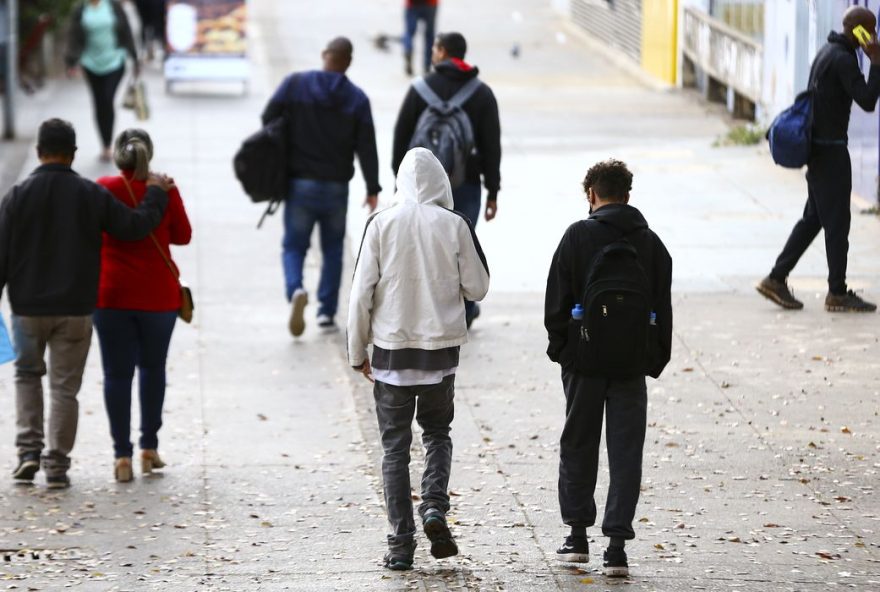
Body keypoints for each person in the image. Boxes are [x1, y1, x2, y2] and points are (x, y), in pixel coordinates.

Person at [0, 118, 172, 489]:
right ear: (74, 154)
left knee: (27, 376)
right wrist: (157, 193)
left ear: (38, 152)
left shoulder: (17, 196)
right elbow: (133, 227)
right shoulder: (89, 193)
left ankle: (29, 454)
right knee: (64, 388)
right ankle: (57, 466)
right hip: (76, 308)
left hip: (27, 308)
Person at [348, 148, 490, 571]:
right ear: (441, 183)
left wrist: (358, 351)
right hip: (439, 357)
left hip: (391, 354)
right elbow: (478, 287)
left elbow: (360, 294)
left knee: (394, 450)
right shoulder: (455, 224)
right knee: (437, 434)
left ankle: (400, 544)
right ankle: (433, 507)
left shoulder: (381, 225)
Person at [544, 159, 672, 577]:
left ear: (591, 196)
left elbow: (555, 306)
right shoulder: (651, 244)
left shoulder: (576, 237)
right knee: (626, 451)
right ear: (628, 196)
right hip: (631, 365)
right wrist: (652, 361)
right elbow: (663, 310)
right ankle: (616, 547)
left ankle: (576, 537)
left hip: (585, 363)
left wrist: (565, 353)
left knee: (578, 443)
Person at [757, 6, 880, 313]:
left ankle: (776, 278)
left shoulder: (829, 51)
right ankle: (837, 292)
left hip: (821, 151)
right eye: (871, 30)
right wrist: (876, 61)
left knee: (814, 219)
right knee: (838, 224)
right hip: (831, 153)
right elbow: (867, 100)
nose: (874, 36)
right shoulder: (842, 59)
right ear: (859, 31)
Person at [261, 36, 381, 337]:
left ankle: (296, 289)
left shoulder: (295, 85)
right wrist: (372, 187)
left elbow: (268, 119)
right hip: (336, 187)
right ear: (348, 62)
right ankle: (326, 313)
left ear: (325, 54)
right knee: (332, 250)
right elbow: (367, 146)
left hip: (299, 183)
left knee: (294, 245)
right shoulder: (357, 98)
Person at [93, 128, 191, 483]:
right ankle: (149, 447)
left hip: (111, 296)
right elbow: (182, 235)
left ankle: (122, 456)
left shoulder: (104, 187)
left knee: (116, 375)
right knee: (153, 368)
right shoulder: (164, 188)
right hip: (157, 298)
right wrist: (165, 196)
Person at [392, 31, 501, 328]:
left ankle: (428, 312)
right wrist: (493, 190)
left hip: (419, 188)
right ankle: (463, 312)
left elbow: (401, 138)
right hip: (464, 185)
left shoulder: (419, 89)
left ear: (441, 51)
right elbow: (492, 146)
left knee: (423, 248)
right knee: (462, 248)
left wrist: (397, 182)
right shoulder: (482, 94)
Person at [65, 0, 139, 162]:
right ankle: (104, 145)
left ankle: (108, 143)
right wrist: (71, 61)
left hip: (115, 60)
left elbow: (126, 31)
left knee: (107, 98)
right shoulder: (80, 8)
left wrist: (134, 58)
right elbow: (73, 35)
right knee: (99, 102)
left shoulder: (113, 6)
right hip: (90, 62)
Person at [402, 0, 438, 76]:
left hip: (412, 4)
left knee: (409, 32)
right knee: (429, 35)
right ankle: (427, 66)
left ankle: (408, 49)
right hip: (431, 4)